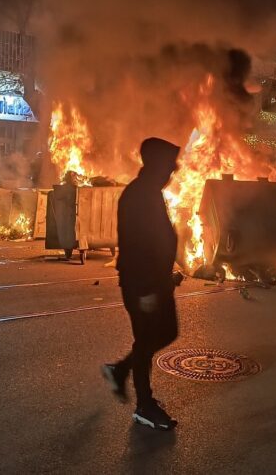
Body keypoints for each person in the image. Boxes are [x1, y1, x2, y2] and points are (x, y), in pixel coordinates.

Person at [102, 137, 181, 431]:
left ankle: (121, 370)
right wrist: (147, 289)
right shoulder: (139, 195)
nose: (173, 170)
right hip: (142, 285)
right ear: (157, 164)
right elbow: (137, 247)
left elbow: (159, 241)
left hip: (155, 283)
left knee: (165, 333)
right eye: (170, 165)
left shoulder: (150, 192)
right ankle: (144, 406)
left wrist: (166, 275)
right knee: (147, 340)